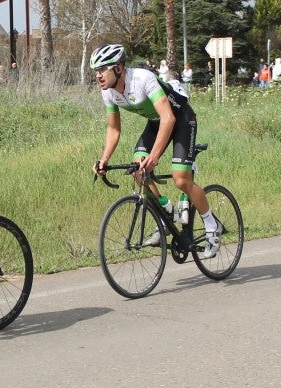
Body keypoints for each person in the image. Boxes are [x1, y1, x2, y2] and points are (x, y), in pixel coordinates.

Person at [88, 44, 223, 256]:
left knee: (181, 179)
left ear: (119, 68)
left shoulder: (142, 79)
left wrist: (155, 156)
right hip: (156, 122)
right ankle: (165, 212)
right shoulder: (108, 93)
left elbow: (169, 118)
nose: (98, 75)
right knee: (138, 170)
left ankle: (212, 226)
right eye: (96, 71)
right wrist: (104, 159)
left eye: (103, 69)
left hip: (180, 119)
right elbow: (113, 129)